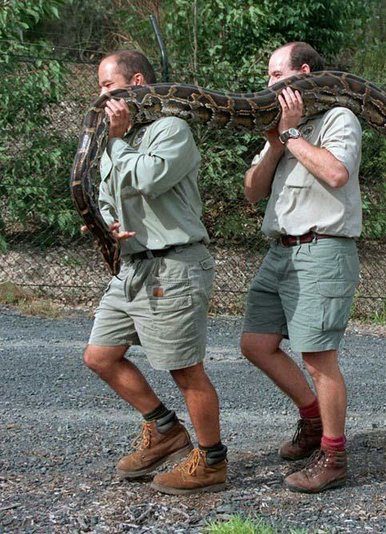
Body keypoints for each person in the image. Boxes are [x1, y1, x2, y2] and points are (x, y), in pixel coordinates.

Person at [82, 50, 227, 494]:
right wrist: (108, 220)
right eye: (101, 88)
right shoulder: (113, 140)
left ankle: (212, 461)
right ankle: (164, 429)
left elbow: (149, 178)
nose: (101, 96)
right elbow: (108, 193)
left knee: (184, 369)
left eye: (109, 86)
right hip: (132, 266)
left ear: (137, 83)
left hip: (174, 264)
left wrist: (120, 140)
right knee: (100, 356)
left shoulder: (171, 129)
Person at [239, 42, 362, 493]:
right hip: (280, 250)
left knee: (317, 357)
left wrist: (293, 137)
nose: (268, 83)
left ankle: (333, 456)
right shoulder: (282, 126)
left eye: (275, 74)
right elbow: (253, 192)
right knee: (255, 343)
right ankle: (313, 420)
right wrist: (275, 143)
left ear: (303, 73)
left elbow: (335, 174)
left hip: (322, 248)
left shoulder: (338, 118)